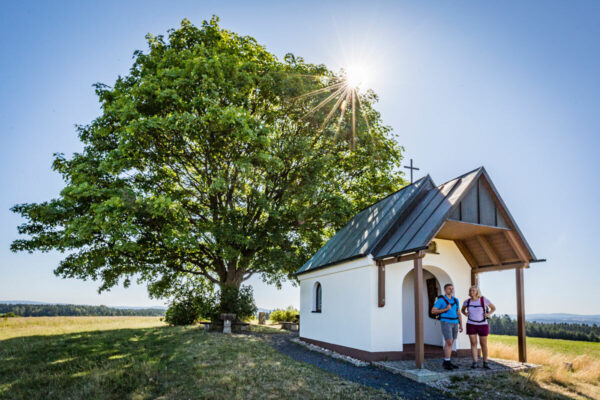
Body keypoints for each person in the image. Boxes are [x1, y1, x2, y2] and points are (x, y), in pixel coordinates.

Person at [461, 285, 496, 369]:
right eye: (470, 290)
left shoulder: (484, 300)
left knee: (483, 344)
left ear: (477, 292)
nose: (471, 292)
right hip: (471, 324)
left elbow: (493, 308)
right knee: (473, 343)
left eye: (473, 290)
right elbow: (462, 310)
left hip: (483, 324)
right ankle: (475, 362)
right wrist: (465, 313)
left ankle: (485, 362)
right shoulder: (467, 301)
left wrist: (488, 314)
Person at [431, 283, 463, 370]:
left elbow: (458, 313)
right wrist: (445, 309)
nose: (451, 290)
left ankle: (447, 361)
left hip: (455, 322)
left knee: (451, 342)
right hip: (446, 322)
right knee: (449, 342)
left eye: (452, 289)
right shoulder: (441, 300)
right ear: (445, 290)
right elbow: (433, 311)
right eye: (449, 289)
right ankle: (446, 362)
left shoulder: (456, 300)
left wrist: (461, 325)